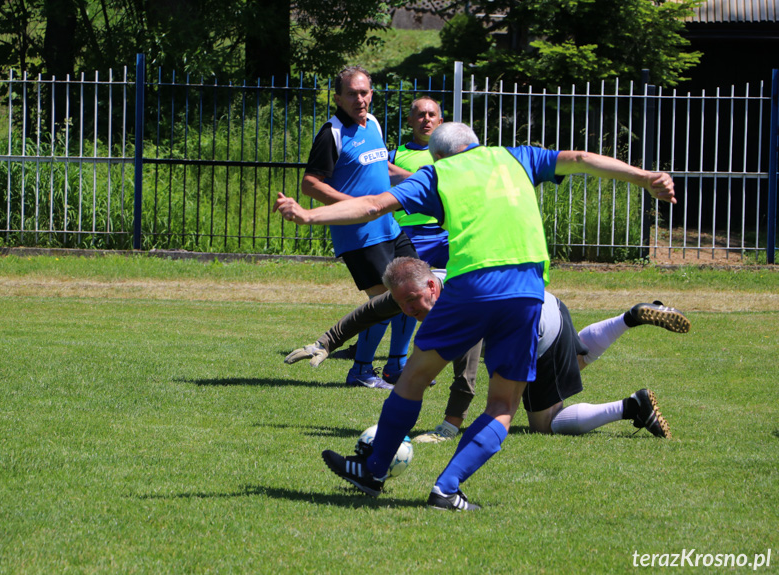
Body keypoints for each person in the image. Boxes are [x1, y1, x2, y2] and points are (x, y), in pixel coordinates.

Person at [275, 122, 676, 511]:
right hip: (527, 291)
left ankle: (373, 470)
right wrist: (643, 178)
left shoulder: (437, 174)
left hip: (471, 287)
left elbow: (373, 204)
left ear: (437, 154)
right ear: (477, 143)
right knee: (503, 405)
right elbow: (581, 158)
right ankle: (446, 490)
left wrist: (310, 216)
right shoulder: (517, 158)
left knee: (414, 377)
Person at [284, 256, 690, 442]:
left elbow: (468, 365)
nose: (409, 311)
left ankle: (633, 406)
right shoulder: (419, 282)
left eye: (413, 303)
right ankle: (631, 317)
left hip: (534, 328)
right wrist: (325, 342)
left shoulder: (457, 301)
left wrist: (450, 424)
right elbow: (372, 311)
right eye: (404, 305)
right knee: (574, 362)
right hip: (550, 309)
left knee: (544, 422)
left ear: (432, 287)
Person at [301, 65, 418, 390]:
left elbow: (381, 165)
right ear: (338, 97)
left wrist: (417, 180)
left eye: (364, 92)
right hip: (359, 234)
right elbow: (310, 184)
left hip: (389, 227)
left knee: (417, 287)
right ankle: (362, 371)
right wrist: (347, 204)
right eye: (352, 93)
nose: (360, 98)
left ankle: (396, 366)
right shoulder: (332, 133)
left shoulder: (374, 124)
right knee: (385, 300)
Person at [389, 97, 449, 269]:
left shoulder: (451, 154)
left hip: (446, 230)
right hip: (409, 232)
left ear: (440, 121)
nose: (427, 119)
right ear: (410, 120)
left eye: (432, 115)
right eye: (421, 115)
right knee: (410, 288)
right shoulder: (394, 156)